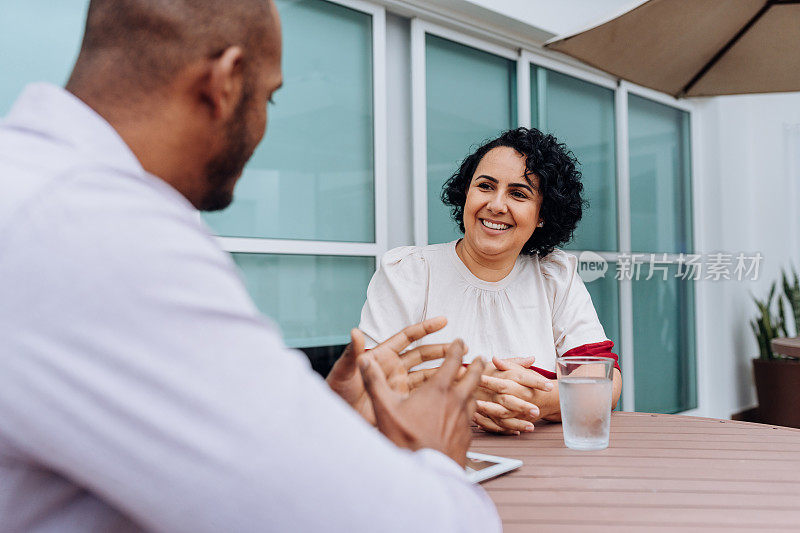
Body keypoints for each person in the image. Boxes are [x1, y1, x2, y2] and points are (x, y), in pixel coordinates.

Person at [0, 1, 500, 531]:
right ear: (226, 81)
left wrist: (323, 419)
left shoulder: (37, 187)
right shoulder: (98, 228)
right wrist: (434, 455)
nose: (263, 122)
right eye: (269, 97)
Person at [359, 127, 622, 435]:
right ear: (466, 194)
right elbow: (366, 387)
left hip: (541, 463)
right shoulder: (408, 272)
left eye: (518, 194)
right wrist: (470, 389)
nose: (497, 205)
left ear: (542, 215)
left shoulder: (555, 275)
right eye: (485, 186)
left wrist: (538, 400)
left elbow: (605, 381)